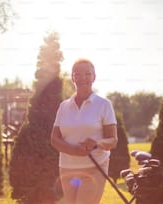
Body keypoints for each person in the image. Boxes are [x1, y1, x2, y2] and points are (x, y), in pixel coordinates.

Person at [51, 58, 118, 204]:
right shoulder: (64, 106)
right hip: (67, 169)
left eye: (87, 74)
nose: (83, 78)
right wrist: (75, 151)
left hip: (94, 168)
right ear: (72, 78)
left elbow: (113, 140)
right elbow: (54, 139)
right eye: (78, 74)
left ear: (94, 77)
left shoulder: (103, 105)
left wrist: (97, 143)